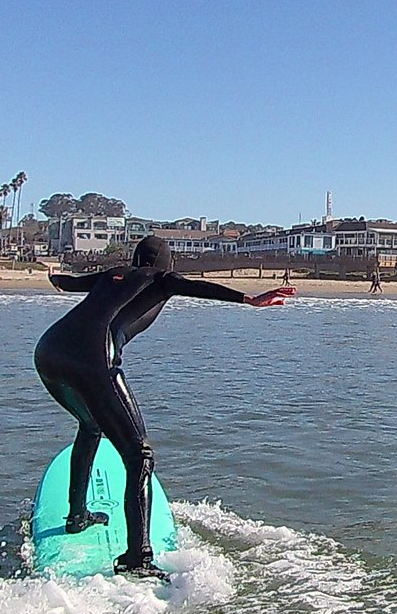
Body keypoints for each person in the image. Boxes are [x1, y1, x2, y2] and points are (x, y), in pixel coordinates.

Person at [35, 235, 293, 579]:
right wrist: (249, 299)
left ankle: (77, 515)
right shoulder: (158, 278)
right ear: (166, 263)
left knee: (91, 424)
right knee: (139, 455)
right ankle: (137, 558)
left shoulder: (112, 273)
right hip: (93, 357)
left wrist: (52, 274)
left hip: (49, 352)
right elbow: (194, 287)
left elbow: (67, 284)